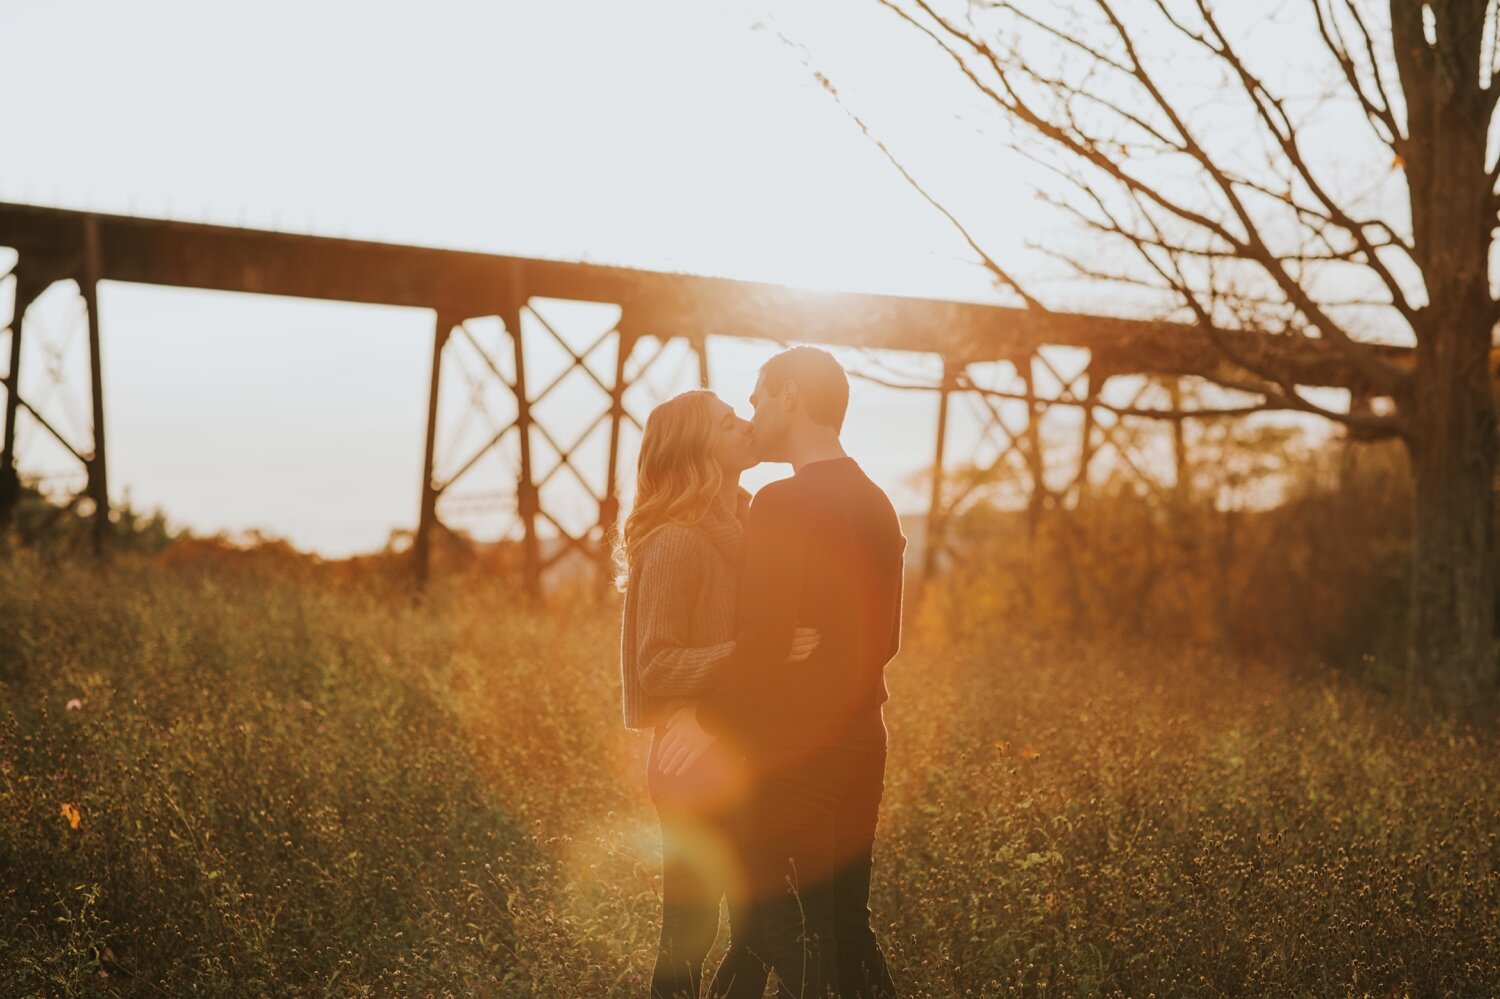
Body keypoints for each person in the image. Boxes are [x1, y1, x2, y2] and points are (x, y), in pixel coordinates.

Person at [658, 347, 904, 999]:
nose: (754, 412)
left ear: (791, 395)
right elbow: (891, 641)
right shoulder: (879, 505)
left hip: (796, 755)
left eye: (761, 396)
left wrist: (709, 719)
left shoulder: (781, 502)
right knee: (847, 928)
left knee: (780, 936)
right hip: (865, 743)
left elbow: (766, 644)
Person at [618, 388, 820, 999]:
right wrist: (764, 652)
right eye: (731, 424)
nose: (747, 427)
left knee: (755, 930)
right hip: (692, 766)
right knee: (692, 931)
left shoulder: (747, 523)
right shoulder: (678, 539)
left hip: (741, 748)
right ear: (699, 448)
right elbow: (657, 666)